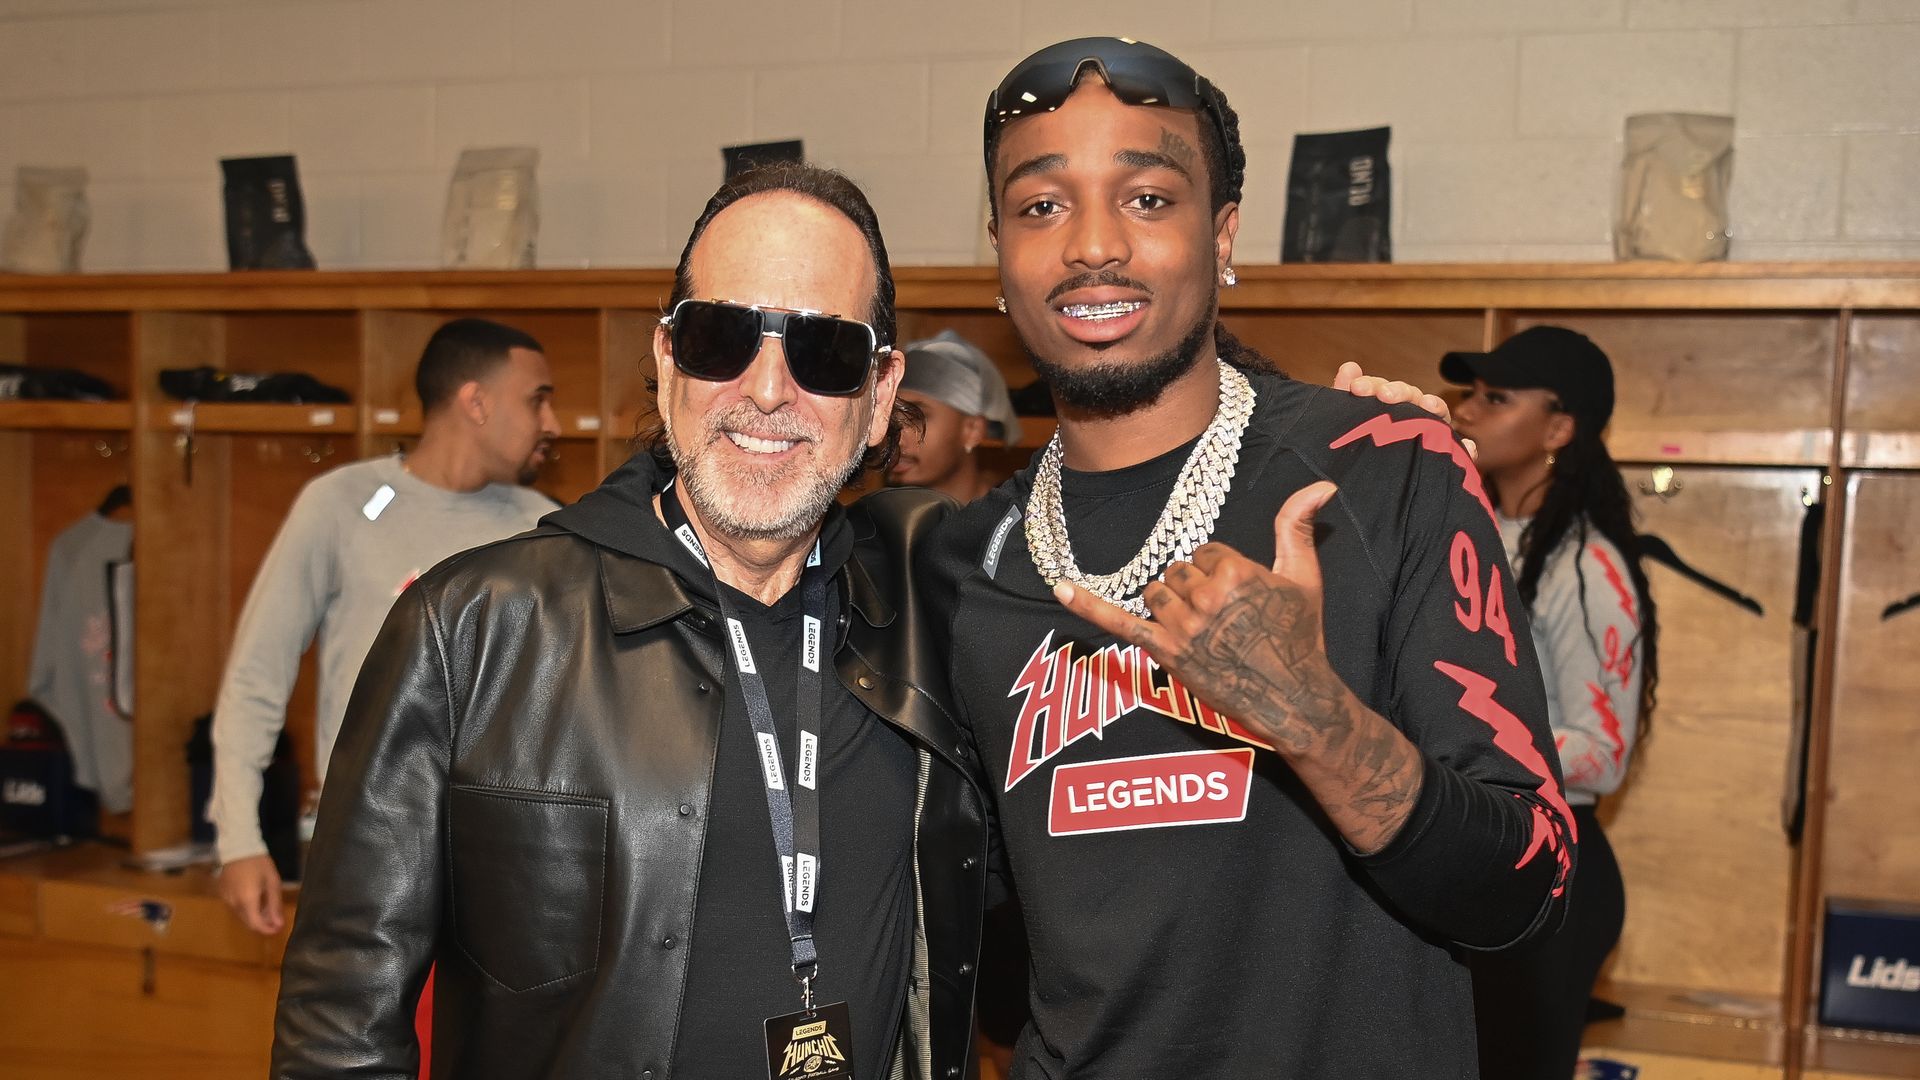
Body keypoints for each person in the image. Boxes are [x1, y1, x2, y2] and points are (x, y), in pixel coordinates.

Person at [923, 38, 1578, 1077]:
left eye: (1146, 198)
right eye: (1041, 206)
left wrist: (1313, 719)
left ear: (1222, 235)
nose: (1093, 246)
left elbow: (1529, 888)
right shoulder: (960, 561)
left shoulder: (1382, 471)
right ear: (998, 251)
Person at [269, 163, 991, 1080]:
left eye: (825, 351)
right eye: (723, 336)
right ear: (666, 360)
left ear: (882, 392)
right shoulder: (473, 631)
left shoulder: (927, 627)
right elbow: (338, 1030)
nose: (768, 389)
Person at [209, 317, 559, 935]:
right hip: (362, 856)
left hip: (503, 866)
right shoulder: (344, 504)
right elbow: (258, 674)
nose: (551, 424)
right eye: (538, 400)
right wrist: (239, 838)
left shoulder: (544, 528)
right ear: (476, 402)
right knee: (353, 1033)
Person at [1444, 325, 1656, 1080]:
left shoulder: (1586, 565)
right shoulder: (1476, 533)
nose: (1466, 411)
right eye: (1468, 393)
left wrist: (1454, 736)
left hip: (1557, 875)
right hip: (1489, 857)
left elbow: (1604, 754)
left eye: (1496, 398)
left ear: (1560, 428)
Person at [887, 330, 1023, 502]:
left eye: (916, 418)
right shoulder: (873, 522)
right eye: (889, 418)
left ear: (972, 430)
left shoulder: (1016, 520)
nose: (895, 437)